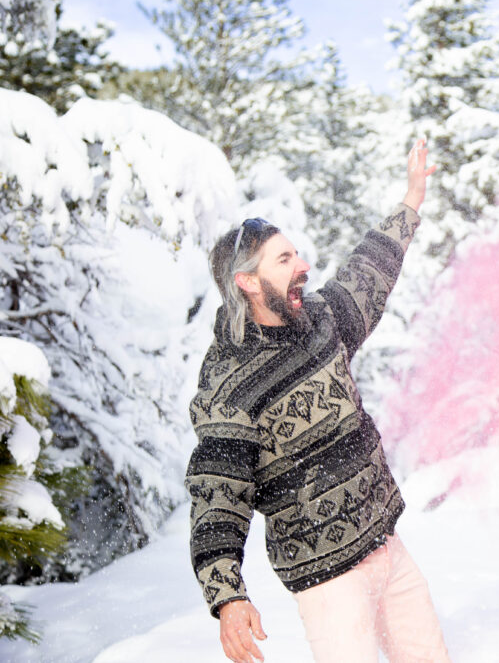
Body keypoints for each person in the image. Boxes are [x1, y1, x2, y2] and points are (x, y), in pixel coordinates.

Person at [185, 141, 450, 663]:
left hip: (387, 546)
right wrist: (227, 596)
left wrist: (411, 200)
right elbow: (218, 493)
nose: (303, 265)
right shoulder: (229, 387)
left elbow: (367, 273)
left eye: (297, 254)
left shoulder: (320, 323)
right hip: (328, 580)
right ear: (248, 282)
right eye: (285, 259)